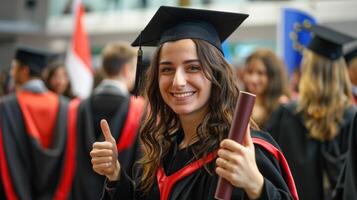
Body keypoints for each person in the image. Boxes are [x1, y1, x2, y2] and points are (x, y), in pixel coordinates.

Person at [90, 6, 298, 200]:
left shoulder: (243, 150)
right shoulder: (161, 151)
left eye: (193, 68)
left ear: (216, 75)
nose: (178, 81)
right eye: (167, 69)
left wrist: (257, 186)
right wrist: (115, 174)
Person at [266, 25, 357, 200]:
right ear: (340, 72)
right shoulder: (352, 116)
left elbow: (269, 170)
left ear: (307, 68)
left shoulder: (286, 114)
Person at [70, 41, 145, 200]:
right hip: (119, 192)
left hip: (81, 192)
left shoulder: (76, 107)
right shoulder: (141, 109)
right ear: (126, 70)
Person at [0, 46, 76, 199]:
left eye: (14, 67)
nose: (11, 72)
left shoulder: (5, 107)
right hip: (57, 191)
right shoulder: (66, 107)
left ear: (24, 70)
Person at [242, 48, 290, 129]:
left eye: (260, 73)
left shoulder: (282, 108)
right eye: (249, 72)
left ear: (273, 76)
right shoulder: (240, 104)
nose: (253, 79)